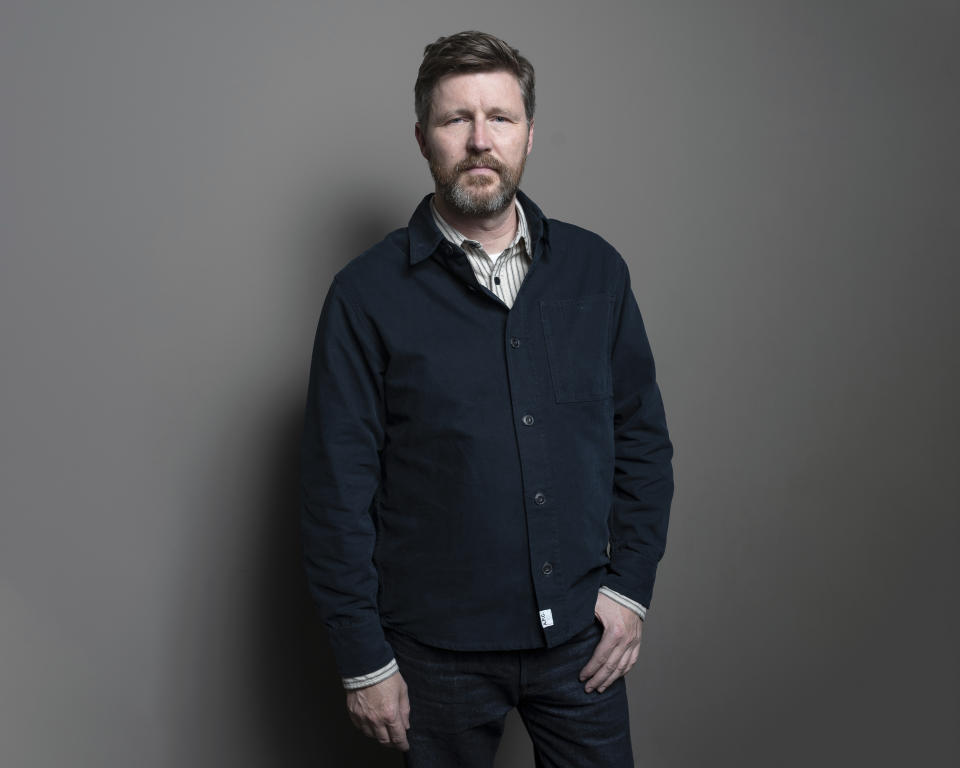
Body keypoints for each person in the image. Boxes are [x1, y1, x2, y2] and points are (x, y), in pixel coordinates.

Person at [301, 30, 674, 768]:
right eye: (455, 120)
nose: (480, 140)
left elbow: (642, 441)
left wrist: (628, 589)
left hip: (579, 641)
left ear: (529, 134)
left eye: (500, 118)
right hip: (432, 657)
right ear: (422, 139)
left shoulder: (596, 272)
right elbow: (334, 493)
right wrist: (363, 660)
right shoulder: (364, 295)